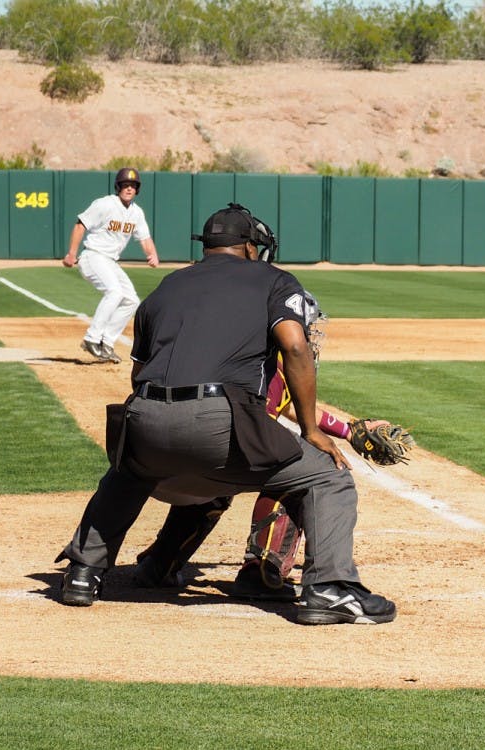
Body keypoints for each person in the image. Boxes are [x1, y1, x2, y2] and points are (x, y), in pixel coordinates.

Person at [55, 202, 396, 625]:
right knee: (327, 475)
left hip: (142, 419)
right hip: (220, 422)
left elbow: (139, 372)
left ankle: (83, 573)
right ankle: (329, 588)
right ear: (251, 247)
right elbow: (293, 346)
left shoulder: (167, 286)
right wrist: (312, 428)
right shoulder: (273, 280)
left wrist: (166, 424)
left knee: (127, 471)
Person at [132, 291, 407, 602]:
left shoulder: (240, 353)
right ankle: (262, 571)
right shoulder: (273, 364)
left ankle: (159, 564)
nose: (310, 334)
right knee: (301, 469)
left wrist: (349, 431)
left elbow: (292, 406)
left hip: (163, 457)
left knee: (213, 486)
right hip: (220, 453)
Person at [62, 167, 160, 364]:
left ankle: (106, 343)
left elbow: (145, 237)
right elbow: (81, 224)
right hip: (93, 256)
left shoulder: (136, 213)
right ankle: (91, 338)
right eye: (125, 185)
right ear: (118, 186)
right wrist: (71, 253)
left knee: (131, 300)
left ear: (137, 189)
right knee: (114, 292)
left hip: (110, 261)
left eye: (133, 185)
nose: (129, 188)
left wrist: (152, 254)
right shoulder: (105, 204)